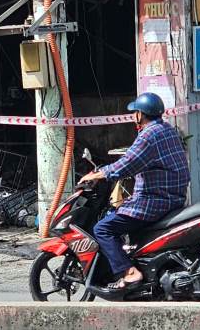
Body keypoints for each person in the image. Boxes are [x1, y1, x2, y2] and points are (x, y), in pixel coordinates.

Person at [80, 92, 191, 291]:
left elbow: (127, 164)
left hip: (156, 200)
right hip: (172, 197)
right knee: (123, 211)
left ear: (140, 115)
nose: (134, 116)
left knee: (102, 229)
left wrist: (97, 175)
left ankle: (130, 273)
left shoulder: (149, 135)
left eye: (135, 112)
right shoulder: (167, 130)